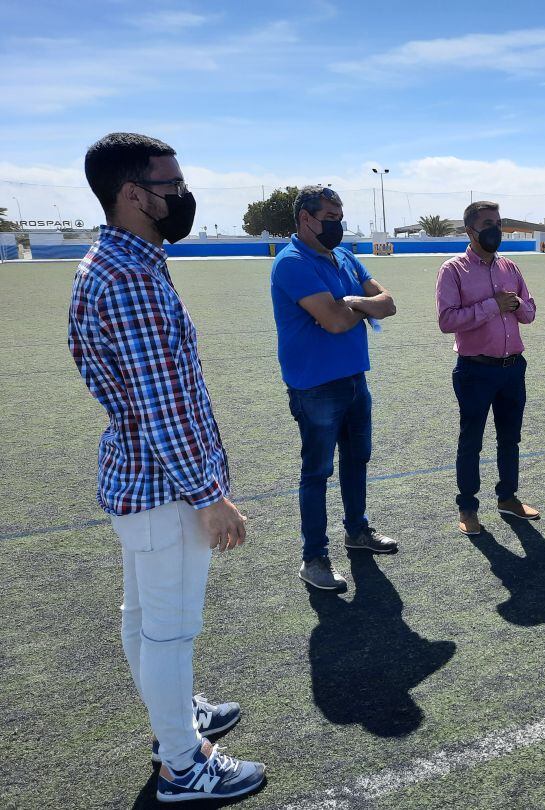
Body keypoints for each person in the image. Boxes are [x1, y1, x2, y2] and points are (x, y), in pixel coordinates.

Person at [68, 133, 265, 801]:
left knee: (144, 617)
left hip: (138, 477)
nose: (182, 196)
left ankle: (175, 717)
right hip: (164, 488)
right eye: (170, 185)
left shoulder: (118, 261)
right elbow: (164, 405)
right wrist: (211, 496)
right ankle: (183, 761)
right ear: (131, 195)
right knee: (170, 630)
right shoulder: (128, 278)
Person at [271, 186, 398, 592]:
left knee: (357, 460)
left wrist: (351, 301)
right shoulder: (291, 263)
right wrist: (358, 306)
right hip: (315, 387)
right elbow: (335, 321)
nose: (336, 224)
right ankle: (314, 557)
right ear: (305, 219)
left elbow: (389, 302)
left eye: (339, 215)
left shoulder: (344, 256)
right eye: (329, 216)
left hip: (355, 379)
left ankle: (356, 532)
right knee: (317, 472)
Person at [435, 201, 538, 536]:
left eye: (498, 222)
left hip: (512, 368)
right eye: (488, 223)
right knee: (472, 441)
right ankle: (467, 508)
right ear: (470, 231)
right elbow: (447, 320)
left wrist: (517, 304)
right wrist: (491, 306)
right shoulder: (453, 270)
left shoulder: (510, 267)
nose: (496, 229)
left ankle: (507, 497)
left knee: (510, 438)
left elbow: (530, 311)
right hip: (475, 370)